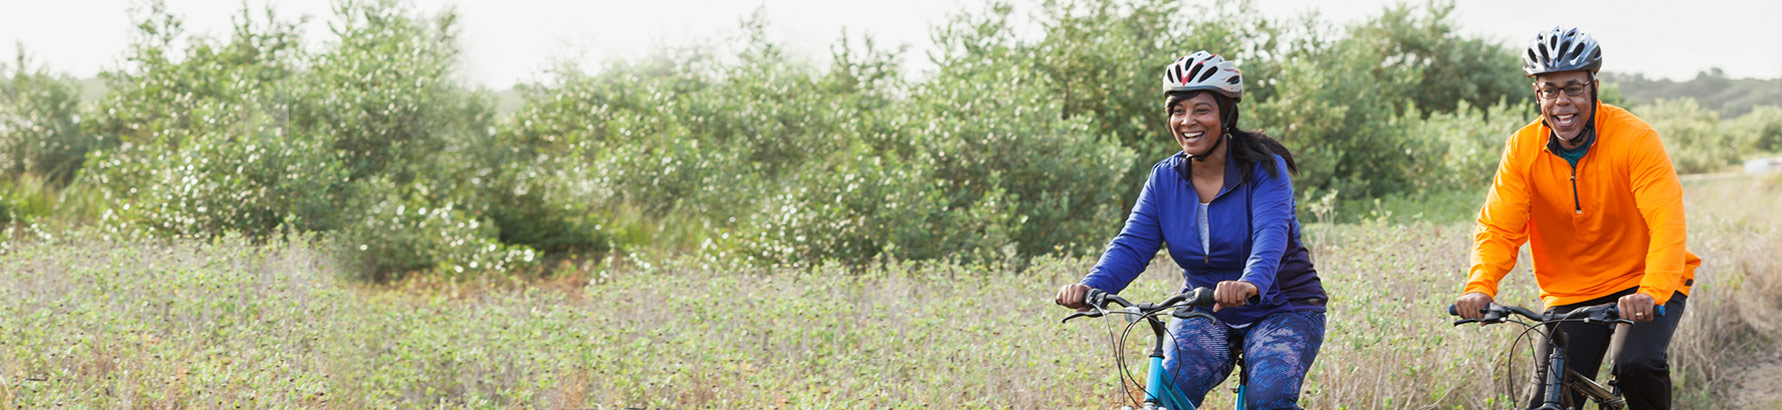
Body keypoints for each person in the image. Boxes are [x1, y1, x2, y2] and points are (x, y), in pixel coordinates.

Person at [1054, 51, 1327, 409]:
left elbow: (1270, 235)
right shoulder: (1164, 179)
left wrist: (1250, 283)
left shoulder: (1264, 169)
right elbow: (1133, 244)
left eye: (1202, 109)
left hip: (1283, 307)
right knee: (1167, 392)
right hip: (1205, 308)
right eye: (1177, 111)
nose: (1188, 121)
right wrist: (1092, 286)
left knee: (1269, 399)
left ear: (1226, 114)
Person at [1453, 27, 1700, 410]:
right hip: (1570, 294)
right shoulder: (1522, 149)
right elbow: (1499, 227)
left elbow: (1666, 222)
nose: (1561, 101)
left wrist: (1651, 290)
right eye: (1550, 90)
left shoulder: (1634, 138)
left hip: (1643, 283)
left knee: (1635, 363)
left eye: (1573, 88)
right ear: (1538, 94)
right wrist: (1480, 285)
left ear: (1593, 87)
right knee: (1545, 401)